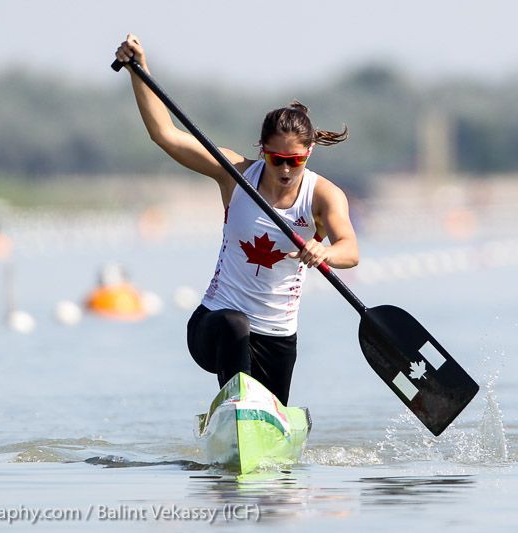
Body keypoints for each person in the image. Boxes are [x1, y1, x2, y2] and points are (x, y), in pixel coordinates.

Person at [115, 34, 359, 405]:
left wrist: (324, 253)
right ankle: (233, 410)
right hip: (214, 326)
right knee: (235, 323)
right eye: (277, 159)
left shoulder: (323, 196)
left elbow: (350, 250)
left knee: (271, 421)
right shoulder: (235, 174)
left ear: (309, 152)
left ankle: (246, 418)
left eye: (296, 160)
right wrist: (138, 70)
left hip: (277, 338)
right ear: (262, 150)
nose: (287, 169)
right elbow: (164, 135)